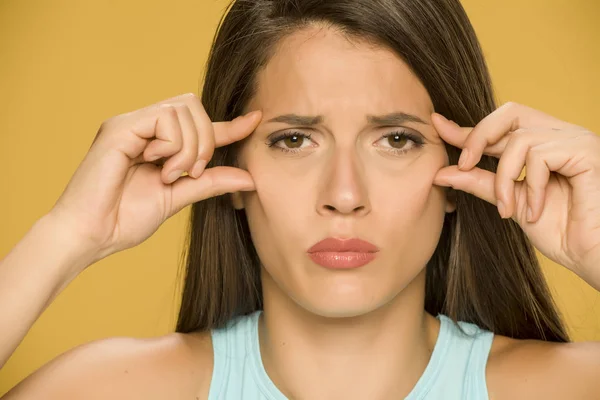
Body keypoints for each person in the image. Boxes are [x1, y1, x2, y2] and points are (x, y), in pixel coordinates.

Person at [1, 0, 599, 398]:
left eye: (396, 139)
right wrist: (68, 234)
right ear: (230, 167)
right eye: (293, 139)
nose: (344, 196)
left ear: (460, 169)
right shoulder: (112, 390)